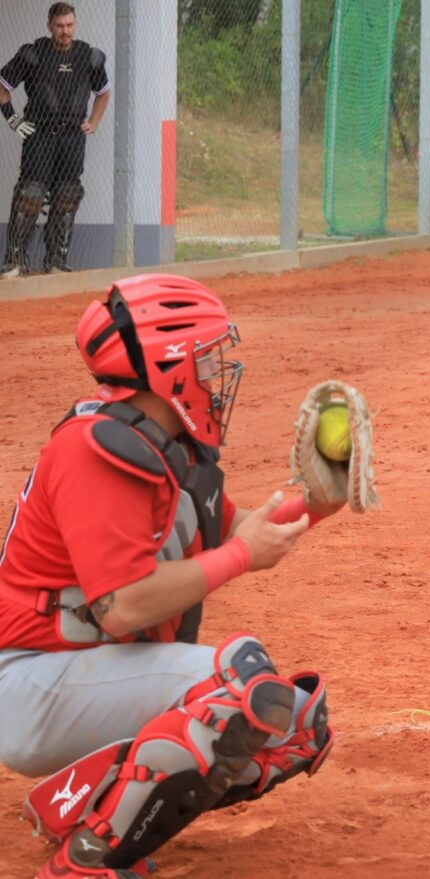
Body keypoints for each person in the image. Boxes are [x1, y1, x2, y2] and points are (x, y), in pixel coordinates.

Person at [0, 274, 376, 878]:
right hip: (28, 685)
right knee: (237, 690)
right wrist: (240, 557)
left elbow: (240, 532)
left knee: (294, 722)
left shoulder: (158, 447)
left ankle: (85, 806)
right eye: (204, 358)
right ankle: (85, 860)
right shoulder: (93, 451)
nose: (215, 373)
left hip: (82, 675)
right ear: (168, 367)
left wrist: (319, 501)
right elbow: (122, 606)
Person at [0, 2, 110, 279]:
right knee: (30, 195)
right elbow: (2, 87)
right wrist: (12, 119)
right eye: (60, 26)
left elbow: (103, 92)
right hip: (40, 134)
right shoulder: (33, 54)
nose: (65, 31)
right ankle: (14, 261)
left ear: (75, 24)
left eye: (70, 25)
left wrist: (94, 121)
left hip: (72, 137)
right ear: (50, 26)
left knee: (67, 196)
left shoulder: (89, 56)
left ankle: (56, 260)